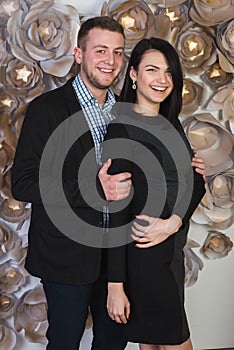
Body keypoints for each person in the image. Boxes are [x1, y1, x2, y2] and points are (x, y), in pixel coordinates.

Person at [11, 15, 205, 350]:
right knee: (65, 341)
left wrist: (187, 170)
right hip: (67, 256)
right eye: (100, 51)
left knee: (114, 344)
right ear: (78, 54)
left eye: (117, 52)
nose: (110, 61)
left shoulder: (127, 111)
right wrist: (91, 185)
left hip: (122, 258)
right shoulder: (47, 109)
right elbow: (24, 183)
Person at [104, 38, 206, 350]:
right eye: (152, 70)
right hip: (143, 259)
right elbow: (115, 214)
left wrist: (172, 223)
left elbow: (196, 184)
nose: (162, 80)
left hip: (170, 254)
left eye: (168, 72)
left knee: (152, 345)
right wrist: (115, 285)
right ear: (133, 74)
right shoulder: (121, 129)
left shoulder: (171, 124)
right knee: (175, 343)